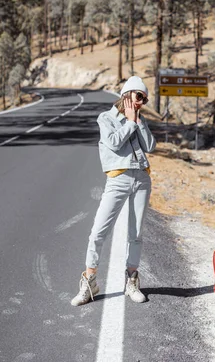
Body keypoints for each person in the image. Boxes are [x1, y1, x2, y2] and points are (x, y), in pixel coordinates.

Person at [71, 76, 156, 306]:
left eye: (145, 100)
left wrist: (137, 122)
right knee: (98, 231)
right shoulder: (106, 118)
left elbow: (150, 146)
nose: (141, 103)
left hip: (141, 178)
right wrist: (129, 122)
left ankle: (131, 281)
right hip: (118, 179)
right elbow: (115, 142)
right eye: (139, 97)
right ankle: (89, 282)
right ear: (127, 94)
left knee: (135, 233)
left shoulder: (139, 119)